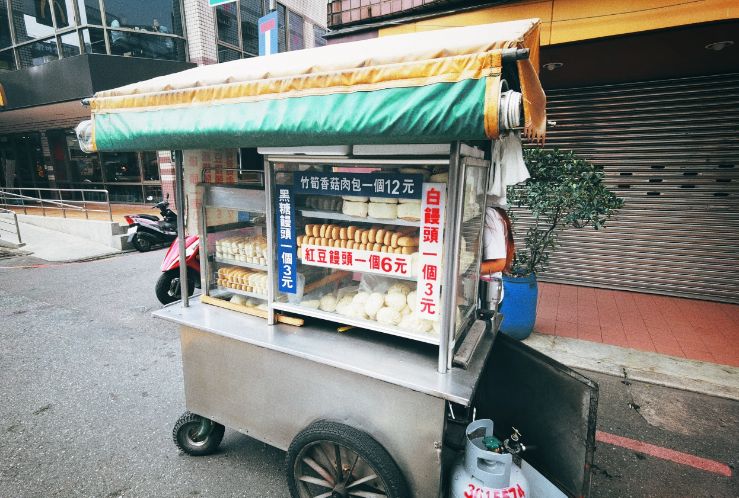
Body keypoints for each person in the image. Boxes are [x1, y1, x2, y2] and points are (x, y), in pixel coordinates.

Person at [480, 205, 514, 308]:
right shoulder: (490, 213)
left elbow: (498, 263)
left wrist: (463, 269)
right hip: (485, 292)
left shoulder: (489, 214)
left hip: (484, 294)